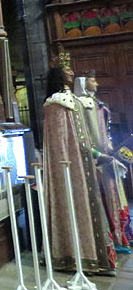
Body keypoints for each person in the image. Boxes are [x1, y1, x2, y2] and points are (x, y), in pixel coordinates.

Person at [42, 56, 116, 275]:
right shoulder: (57, 103)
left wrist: (95, 154)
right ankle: (75, 256)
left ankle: (93, 256)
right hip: (70, 166)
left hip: (82, 163)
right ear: (58, 74)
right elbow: (60, 142)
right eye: (67, 70)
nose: (72, 73)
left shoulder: (73, 100)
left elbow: (82, 137)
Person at [74, 74, 131, 253]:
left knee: (115, 194)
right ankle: (110, 236)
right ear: (82, 83)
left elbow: (104, 130)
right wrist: (97, 153)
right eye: (92, 80)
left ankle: (120, 234)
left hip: (108, 155)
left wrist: (111, 148)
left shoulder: (97, 103)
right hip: (96, 158)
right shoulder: (81, 104)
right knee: (103, 196)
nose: (96, 83)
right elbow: (83, 135)